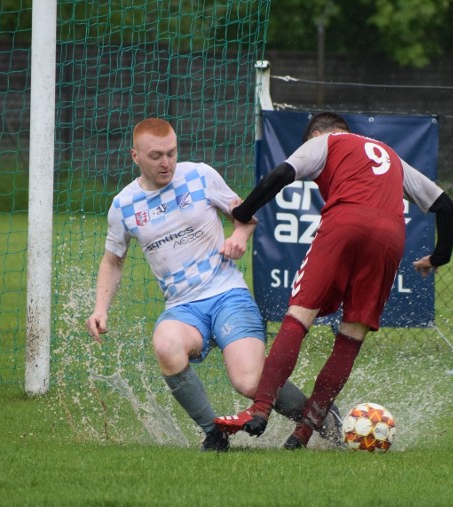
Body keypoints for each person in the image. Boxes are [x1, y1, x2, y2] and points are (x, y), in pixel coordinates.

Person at [214, 112, 453, 449]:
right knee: (350, 337)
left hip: (344, 223)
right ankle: (304, 432)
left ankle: (260, 411)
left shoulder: (324, 142)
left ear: (316, 134)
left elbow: (283, 173)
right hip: (390, 238)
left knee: (299, 318)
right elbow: (447, 207)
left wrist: (242, 213)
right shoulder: (389, 155)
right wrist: (438, 256)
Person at [85, 117, 325, 452]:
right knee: (165, 343)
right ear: (135, 156)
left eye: (171, 152)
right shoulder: (123, 205)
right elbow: (113, 260)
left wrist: (239, 237)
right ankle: (214, 433)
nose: (166, 162)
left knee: (248, 382)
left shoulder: (199, 175)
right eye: (156, 156)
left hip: (228, 295)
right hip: (183, 309)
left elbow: (246, 215)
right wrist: (100, 309)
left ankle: (324, 420)